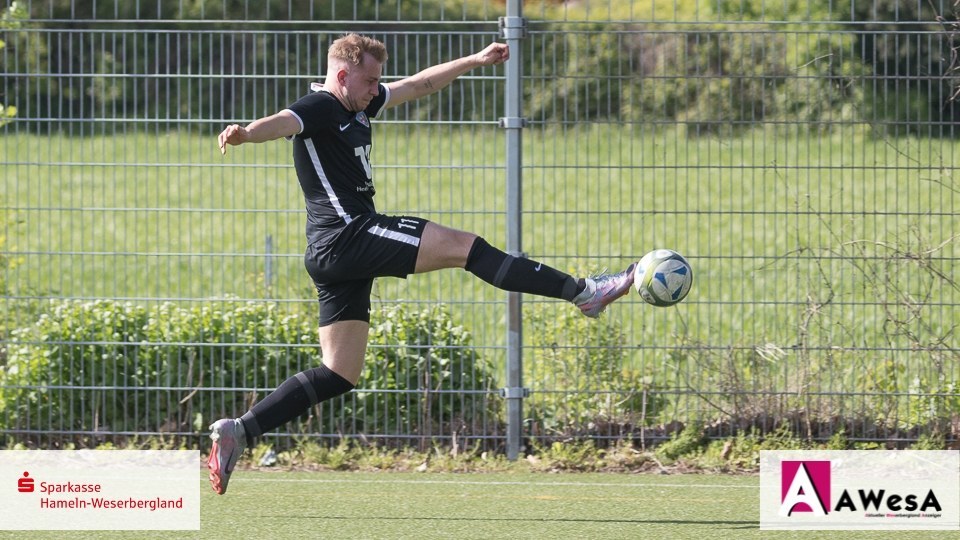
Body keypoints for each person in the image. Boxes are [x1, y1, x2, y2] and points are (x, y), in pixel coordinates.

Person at [207, 33, 636, 495]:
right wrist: (246, 133)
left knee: (339, 373)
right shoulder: (318, 107)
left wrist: (476, 59)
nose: (376, 89)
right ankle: (585, 292)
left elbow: (418, 85)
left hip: (332, 253)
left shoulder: (357, 104)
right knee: (465, 247)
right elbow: (283, 122)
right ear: (343, 74)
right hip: (350, 235)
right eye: (370, 81)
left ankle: (242, 430)